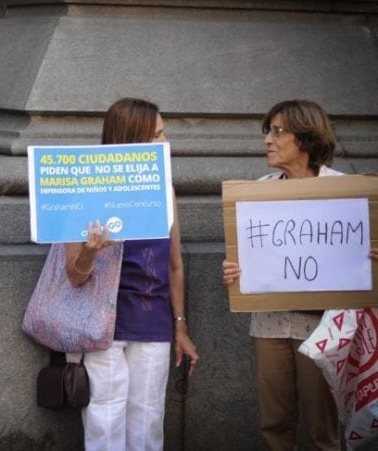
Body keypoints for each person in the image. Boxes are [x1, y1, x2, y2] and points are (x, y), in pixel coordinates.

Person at [222, 99, 378, 450]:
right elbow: (247, 258)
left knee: (323, 428)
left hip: (324, 329)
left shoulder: (347, 191)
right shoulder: (257, 191)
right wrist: (234, 270)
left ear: (305, 139)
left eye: (277, 132)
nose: (268, 140)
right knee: (274, 424)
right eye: (268, 132)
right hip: (270, 326)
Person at [65, 97, 199, 451]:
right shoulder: (85, 186)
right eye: (157, 136)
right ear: (132, 140)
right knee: (104, 420)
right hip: (102, 322)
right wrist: (90, 252)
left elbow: (174, 264)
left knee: (148, 420)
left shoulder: (164, 190)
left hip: (153, 321)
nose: (165, 143)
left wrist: (180, 324)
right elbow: (74, 275)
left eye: (164, 134)